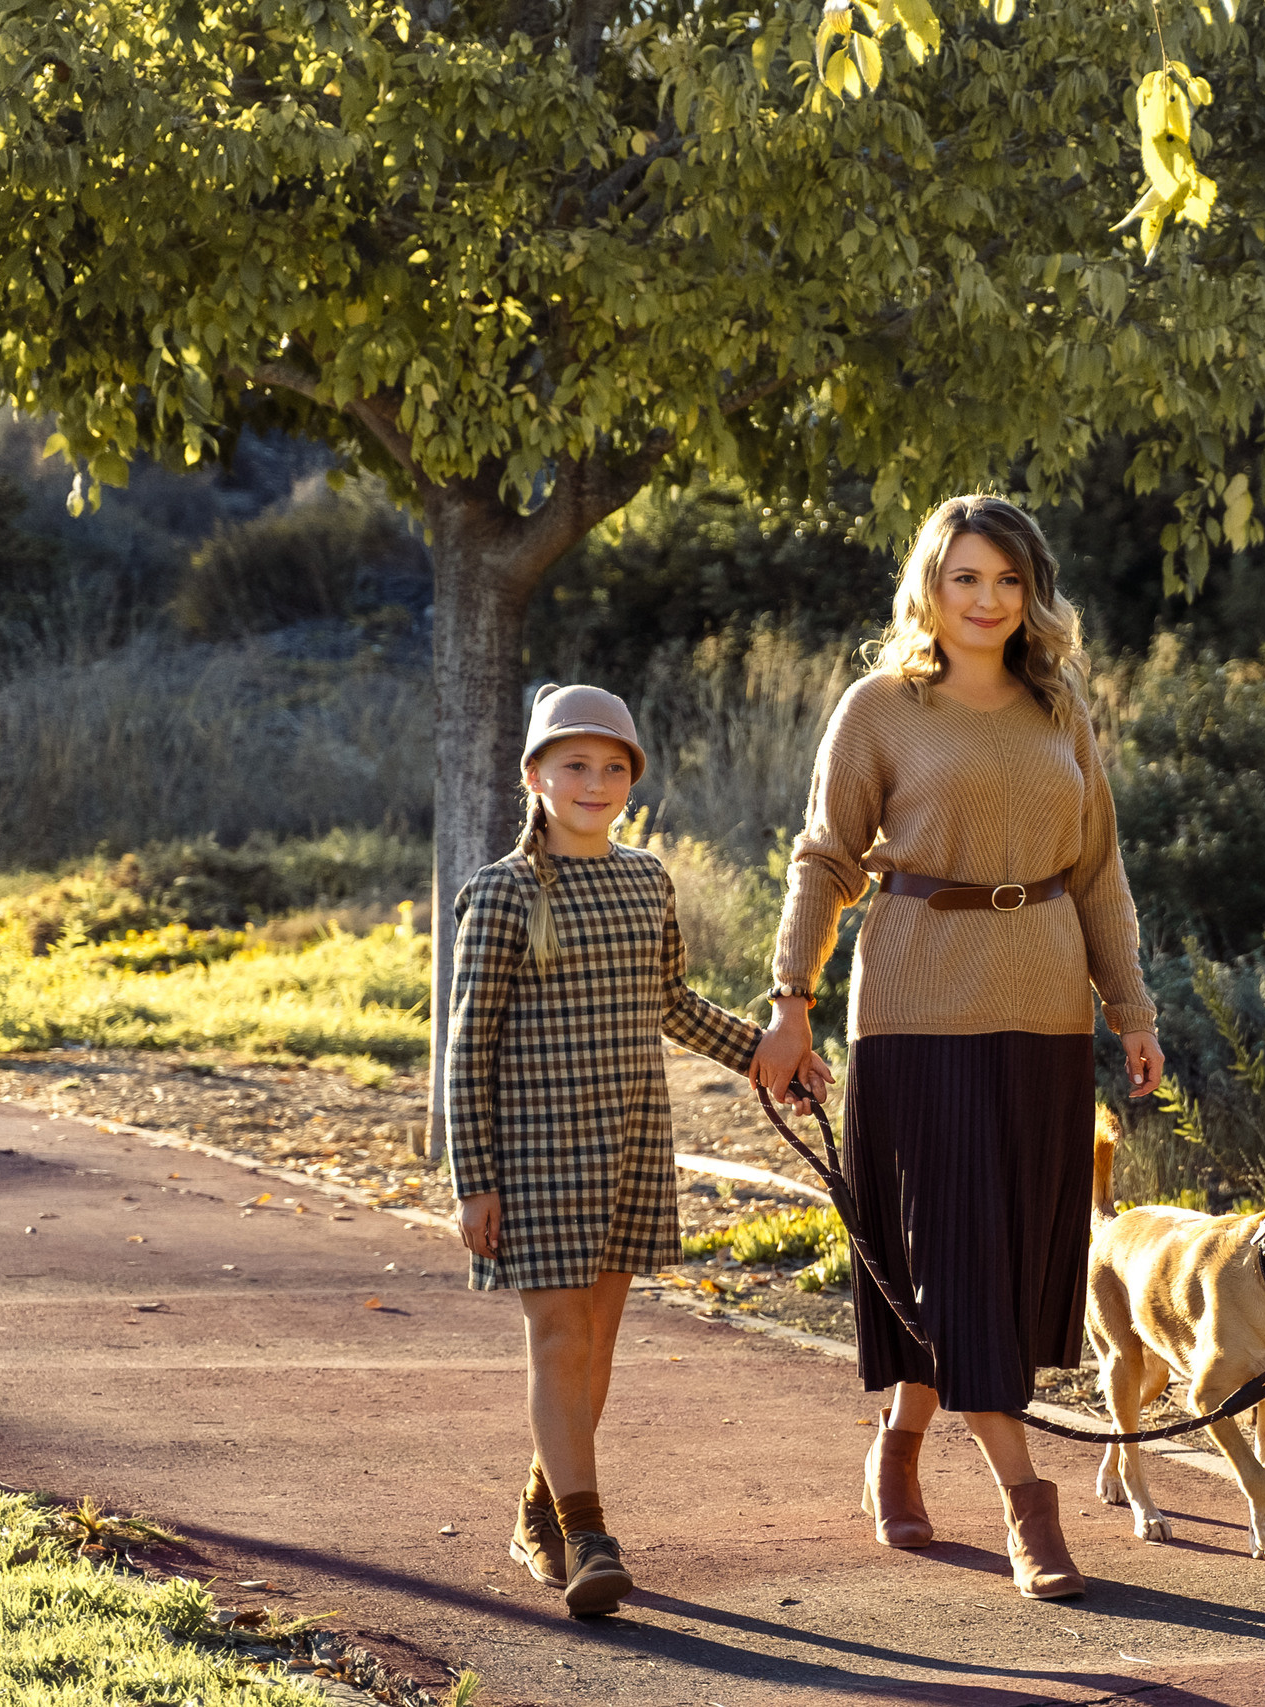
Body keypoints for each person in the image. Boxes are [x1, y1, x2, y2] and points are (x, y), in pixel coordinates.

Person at [754, 494, 1165, 1601]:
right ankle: (1028, 1504)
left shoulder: (1058, 710)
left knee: (1005, 1263)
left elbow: (1099, 873)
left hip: (1045, 1011)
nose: (987, 600)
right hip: (913, 1006)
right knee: (953, 1251)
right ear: (928, 588)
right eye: (965, 578)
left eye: (1008, 581)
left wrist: (1131, 1010)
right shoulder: (879, 707)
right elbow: (825, 857)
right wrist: (790, 999)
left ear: (1033, 594)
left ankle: (898, 1439)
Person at [445, 684, 766, 1617]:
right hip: (535, 1157)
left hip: (630, 1143)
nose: (596, 781)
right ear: (535, 777)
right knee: (559, 1339)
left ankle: (537, 1511)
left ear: (633, 779)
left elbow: (669, 1002)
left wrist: (764, 1054)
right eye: (575, 764)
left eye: (614, 766)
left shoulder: (646, 880)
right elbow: (468, 1044)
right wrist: (474, 1180)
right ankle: (588, 1536)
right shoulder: (502, 892)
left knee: (596, 1349)